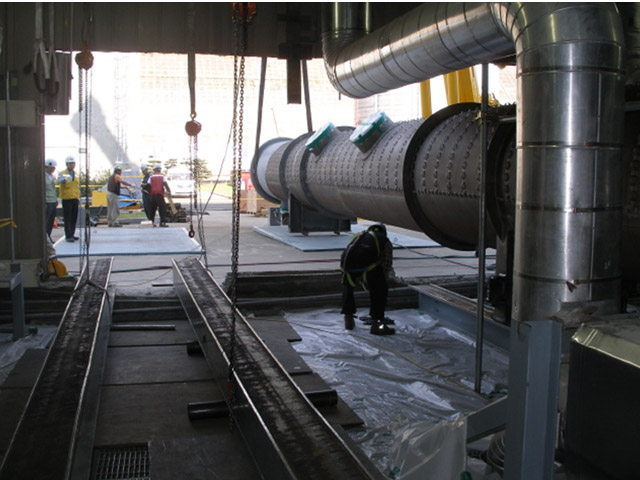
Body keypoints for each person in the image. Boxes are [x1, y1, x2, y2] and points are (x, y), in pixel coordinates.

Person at [340, 223, 395, 335]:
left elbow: (350, 252)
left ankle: (348, 319)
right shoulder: (385, 241)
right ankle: (377, 324)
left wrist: (364, 280)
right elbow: (386, 265)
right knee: (380, 290)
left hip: (346, 263)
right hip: (367, 262)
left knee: (348, 288)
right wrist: (376, 283)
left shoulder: (359, 236)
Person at [57, 156, 80, 242]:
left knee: (74, 217)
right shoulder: (62, 173)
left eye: (73, 163)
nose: (72, 165)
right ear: (67, 164)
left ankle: (72, 234)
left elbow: (76, 185)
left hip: (75, 198)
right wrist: (65, 180)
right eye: (70, 163)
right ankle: (68, 235)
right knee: (67, 217)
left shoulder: (76, 174)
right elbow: (59, 181)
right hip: (67, 198)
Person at [44, 158, 58, 241]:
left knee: (51, 220)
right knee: (47, 220)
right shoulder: (43, 176)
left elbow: (53, 189)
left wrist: (55, 200)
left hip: (52, 201)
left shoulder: (51, 176)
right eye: (52, 168)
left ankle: (48, 236)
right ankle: (45, 238)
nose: (53, 169)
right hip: (47, 201)